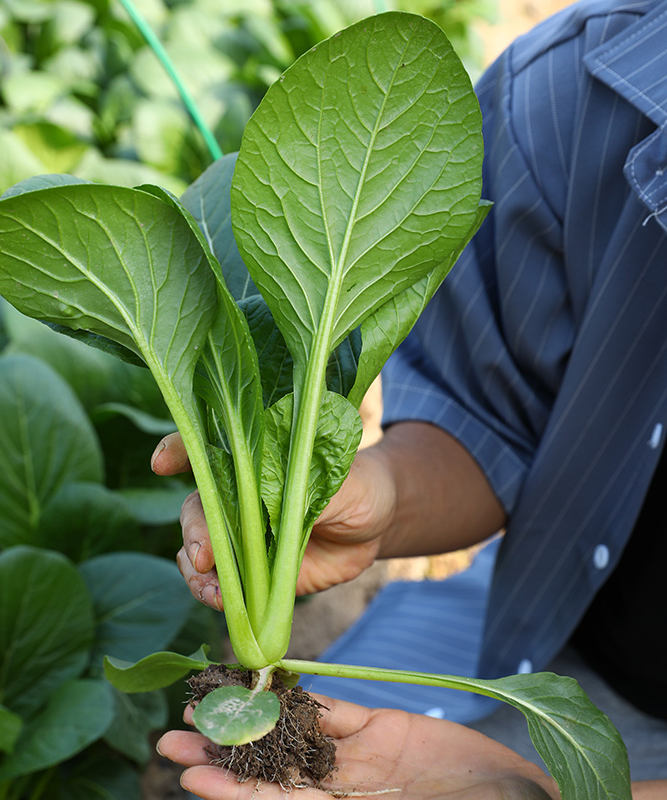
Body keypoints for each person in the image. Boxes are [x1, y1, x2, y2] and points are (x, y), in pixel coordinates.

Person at [152, 0, 667, 794]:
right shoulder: (577, 94)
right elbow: (495, 421)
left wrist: (528, 794)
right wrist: (375, 498)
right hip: (571, 638)